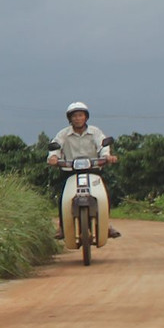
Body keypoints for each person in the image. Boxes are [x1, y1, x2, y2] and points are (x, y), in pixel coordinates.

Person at [48, 102, 121, 239]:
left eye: (80, 115)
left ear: (86, 117)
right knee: (64, 197)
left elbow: (103, 146)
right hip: (70, 172)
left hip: (93, 171)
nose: (77, 118)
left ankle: (105, 225)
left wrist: (107, 157)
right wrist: (53, 157)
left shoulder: (95, 132)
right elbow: (55, 148)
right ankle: (63, 227)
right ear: (70, 118)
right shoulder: (63, 134)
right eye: (74, 116)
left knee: (104, 195)